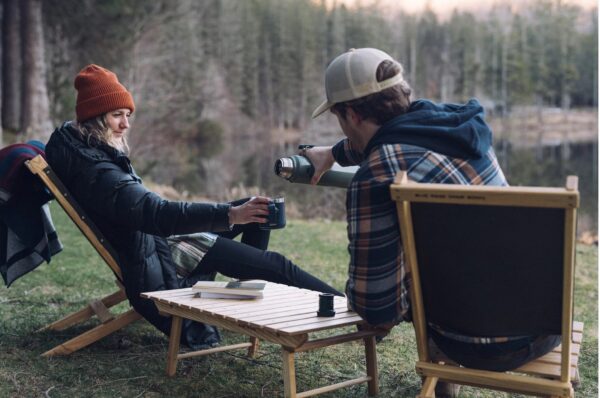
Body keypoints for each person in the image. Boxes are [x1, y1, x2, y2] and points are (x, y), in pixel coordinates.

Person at [45, 64, 341, 350]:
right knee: (277, 264)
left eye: (127, 115)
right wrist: (229, 214)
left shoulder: (86, 152)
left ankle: (251, 292)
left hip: (156, 241)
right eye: (116, 115)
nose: (126, 124)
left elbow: (148, 212)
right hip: (166, 254)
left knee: (257, 211)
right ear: (95, 118)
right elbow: (155, 212)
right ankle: (349, 308)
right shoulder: (98, 172)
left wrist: (234, 213)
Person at [306, 48, 560, 379]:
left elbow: (377, 309)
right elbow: (393, 135)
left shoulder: (375, 177)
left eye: (338, 118)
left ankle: (442, 382)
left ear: (351, 115)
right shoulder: (461, 129)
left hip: (472, 345)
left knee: (409, 274)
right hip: (544, 327)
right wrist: (335, 153)